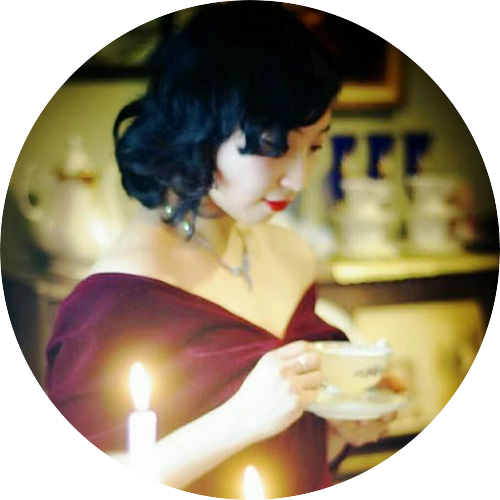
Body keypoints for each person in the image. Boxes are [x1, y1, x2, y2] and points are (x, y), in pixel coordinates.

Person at [45, 2, 398, 498]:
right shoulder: (117, 296)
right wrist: (239, 420)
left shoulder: (291, 252)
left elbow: (290, 454)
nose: (298, 179)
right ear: (198, 130)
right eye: (275, 145)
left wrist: (342, 429)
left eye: (315, 146)